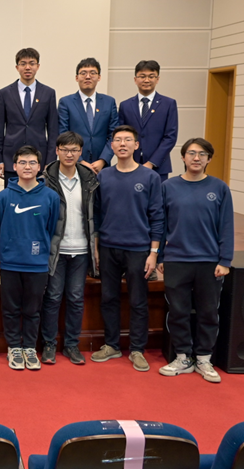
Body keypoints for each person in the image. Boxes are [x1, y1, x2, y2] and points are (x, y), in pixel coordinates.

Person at [158, 138, 234, 383]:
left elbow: (226, 226)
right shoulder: (168, 187)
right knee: (178, 311)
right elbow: (160, 224)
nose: (196, 158)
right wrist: (160, 256)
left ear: (209, 159)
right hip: (176, 260)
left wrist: (225, 260)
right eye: (191, 153)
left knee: (208, 312)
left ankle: (203, 358)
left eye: (202, 154)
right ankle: (182, 357)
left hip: (209, 262)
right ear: (183, 157)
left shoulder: (219, 188)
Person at [92, 125, 164, 372]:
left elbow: (157, 217)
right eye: (117, 140)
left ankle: (137, 349)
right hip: (108, 247)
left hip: (138, 249)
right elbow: (97, 216)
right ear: (111, 146)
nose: (122, 144)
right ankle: (111, 345)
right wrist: (97, 249)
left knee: (138, 301)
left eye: (127, 140)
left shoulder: (150, 177)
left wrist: (154, 253)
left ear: (137, 145)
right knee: (108, 298)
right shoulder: (103, 177)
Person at [0, 146, 60, 371]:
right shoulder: (3, 196)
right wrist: (9, 247)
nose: (27, 167)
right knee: (11, 308)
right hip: (10, 262)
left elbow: (50, 228)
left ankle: (30, 348)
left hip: (37, 264)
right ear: (14, 167)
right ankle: (14, 347)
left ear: (39, 167)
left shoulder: (51, 197)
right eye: (22, 162)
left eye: (32, 162)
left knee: (33, 309)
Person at [42, 131, 100, 366]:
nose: (69, 154)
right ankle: (49, 344)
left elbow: (96, 215)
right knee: (53, 297)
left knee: (76, 298)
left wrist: (96, 246)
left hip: (82, 249)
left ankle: (72, 345)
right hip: (56, 249)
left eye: (74, 150)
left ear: (80, 152)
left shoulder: (89, 179)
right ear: (57, 151)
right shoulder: (46, 179)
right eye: (65, 149)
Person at [0, 48, 59, 185]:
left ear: (38, 66)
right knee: (12, 195)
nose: (27, 67)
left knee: (39, 196)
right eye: (23, 63)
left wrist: (50, 161)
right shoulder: (5, 93)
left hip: (40, 160)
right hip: (11, 158)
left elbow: (53, 130)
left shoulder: (48, 93)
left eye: (32, 63)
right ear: (17, 67)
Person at [118, 60, 179, 182]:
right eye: (142, 76)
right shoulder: (125, 105)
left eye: (151, 76)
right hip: (130, 165)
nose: (146, 80)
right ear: (135, 79)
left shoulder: (168, 104)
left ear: (157, 79)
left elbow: (170, 137)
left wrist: (151, 162)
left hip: (159, 167)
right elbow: (121, 135)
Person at [57, 58, 118, 173]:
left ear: (99, 77)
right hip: (74, 164)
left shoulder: (109, 102)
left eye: (92, 73)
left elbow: (114, 135)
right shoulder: (66, 102)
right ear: (77, 77)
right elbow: (63, 134)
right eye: (83, 73)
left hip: (102, 167)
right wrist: (80, 161)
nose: (88, 77)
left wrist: (103, 160)